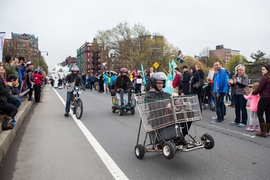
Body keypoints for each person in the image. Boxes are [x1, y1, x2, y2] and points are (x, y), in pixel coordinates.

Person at [145, 72, 190, 146]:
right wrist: (167, 104)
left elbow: (173, 99)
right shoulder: (149, 96)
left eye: (162, 83)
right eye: (158, 83)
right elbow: (154, 104)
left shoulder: (165, 94)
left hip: (168, 116)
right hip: (157, 118)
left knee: (188, 113)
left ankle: (180, 137)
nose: (161, 85)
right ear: (153, 83)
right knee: (171, 117)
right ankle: (163, 141)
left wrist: (176, 98)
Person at [252, 64, 270, 137]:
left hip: (264, 97)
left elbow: (260, 88)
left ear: (267, 70)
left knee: (260, 113)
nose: (262, 71)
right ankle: (267, 131)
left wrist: (254, 92)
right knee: (268, 114)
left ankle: (263, 131)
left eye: (263, 69)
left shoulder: (264, 78)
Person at [0, 62, 18, 130]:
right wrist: (10, 96)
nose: (3, 69)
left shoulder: (1, 78)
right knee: (14, 109)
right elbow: (2, 91)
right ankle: (5, 125)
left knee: (12, 107)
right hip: (1, 101)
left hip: (2, 100)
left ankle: (7, 123)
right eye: (1, 68)